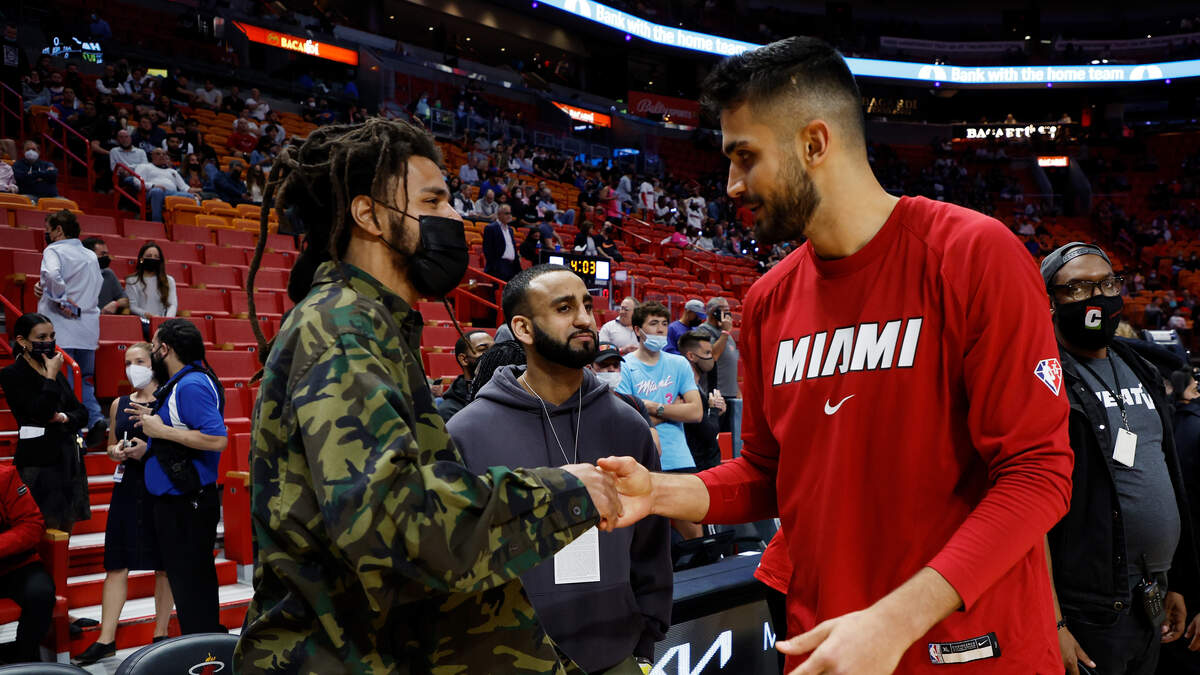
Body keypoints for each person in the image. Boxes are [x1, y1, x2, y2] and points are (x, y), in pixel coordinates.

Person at [599, 37, 1075, 674]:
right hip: (825, 646)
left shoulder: (973, 255)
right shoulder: (769, 299)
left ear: (814, 143)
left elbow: (1037, 474)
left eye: (745, 157)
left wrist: (893, 620)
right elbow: (769, 474)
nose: (732, 184)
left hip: (967, 647)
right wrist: (660, 492)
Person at [234, 119, 625, 673]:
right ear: (368, 215)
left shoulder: (372, 323)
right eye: (434, 200)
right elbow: (396, 524)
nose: (454, 217)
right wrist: (568, 491)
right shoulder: (344, 326)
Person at [447, 265, 671, 675]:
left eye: (587, 305)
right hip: (507, 660)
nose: (585, 318)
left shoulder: (627, 423)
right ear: (524, 328)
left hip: (615, 654)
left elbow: (652, 545)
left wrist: (646, 640)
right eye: (564, 308)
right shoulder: (465, 432)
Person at [1041, 243, 1199, 675]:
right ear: (1049, 299)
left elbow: (1169, 477)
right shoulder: (1043, 377)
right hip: (1089, 604)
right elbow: (1032, 514)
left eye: (1108, 283)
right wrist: (1052, 620)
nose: (1099, 297)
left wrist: (1179, 581)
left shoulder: (1142, 368)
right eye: (1078, 287)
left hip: (1153, 591)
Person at [123, 320, 226, 635]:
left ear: (164, 349)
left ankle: (205, 655)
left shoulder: (191, 384)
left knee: (192, 588)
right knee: (192, 585)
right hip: (178, 500)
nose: (151, 353)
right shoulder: (183, 382)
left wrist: (161, 429)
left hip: (187, 502)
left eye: (152, 347)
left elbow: (217, 438)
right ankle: (206, 649)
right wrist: (151, 439)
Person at [75, 343, 174, 665]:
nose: (133, 367)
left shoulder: (169, 399)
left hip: (160, 486)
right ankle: (106, 639)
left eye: (140, 361)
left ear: (153, 363)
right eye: (128, 362)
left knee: (164, 564)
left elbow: (180, 444)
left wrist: (150, 451)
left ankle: (161, 635)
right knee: (116, 563)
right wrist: (116, 452)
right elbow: (109, 446)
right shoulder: (119, 403)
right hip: (128, 485)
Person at [0, 313, 91, 533]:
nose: (49, 342)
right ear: (22, 341)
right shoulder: (12, 374)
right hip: (38, 462)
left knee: (66, 527)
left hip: (69, 457)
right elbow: (40, 412)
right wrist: (50, 377)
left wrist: (63, 417)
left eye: (52, 336)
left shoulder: (54, 369)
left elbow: (82, 412)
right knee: (44, 527)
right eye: (41, 337)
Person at [39, 210, 106, 443]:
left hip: (61, 327)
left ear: (59, 230)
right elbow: (96, 287)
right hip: (88, 329)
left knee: (64, 383)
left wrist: (60, 300)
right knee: (85, 379)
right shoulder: (90, 256)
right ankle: (96, 418)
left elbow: (51, 274)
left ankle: (76, 435)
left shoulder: (54, 250)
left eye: (49, 230)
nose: (46, 235)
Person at [617, 301, 702, 473]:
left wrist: (651, 407)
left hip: (680, 458)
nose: (661, 329)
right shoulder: (624, 366)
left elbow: (696, 413)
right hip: (643, 460)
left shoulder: (679, 363)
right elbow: (628, 423)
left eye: (664, 324)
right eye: (653, 323)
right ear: (637, 330)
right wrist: (676, 412)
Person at [0, 461, 56, 664]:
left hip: (16, 565)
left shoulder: (5, 476)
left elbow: (32, 525)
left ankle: (24, 659)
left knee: (41, 594)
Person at [694, 297, 741, 454]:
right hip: (714, 395)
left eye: (728, 308)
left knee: (730, 440)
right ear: (712, 311)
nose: (727, 312)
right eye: (722, 308)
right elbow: (711, 356)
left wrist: (737, 390)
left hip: (730, 394)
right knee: (715, 439)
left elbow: (730, 364)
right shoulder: (704, 331)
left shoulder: (725, 333)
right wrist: (726, 332)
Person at [679, 331, 724, 470]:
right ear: (691, 356)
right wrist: (714, 409)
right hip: (699, 465)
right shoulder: (685, 392)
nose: (711, 358)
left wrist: (716, 411)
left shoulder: (698, 387)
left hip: (708, 462)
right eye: (707, 353)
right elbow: (709, 432)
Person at [437, 329, 494, 422]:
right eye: (483, 349)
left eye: (494, 348)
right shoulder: (449, 411)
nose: (494, 354)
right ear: (464, 359)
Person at [134, 148, 200, 222]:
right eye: (158, 154)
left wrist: (192, 193)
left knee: (193, 198)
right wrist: (153, 185)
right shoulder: (144, 166)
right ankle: (157, 223)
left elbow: (184, 187)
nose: (162, 156)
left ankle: (193, 224)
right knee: (157, 191)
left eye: (164, 154)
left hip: (172, 193)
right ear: (152, 156)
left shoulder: (172, 171)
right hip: (151, 192)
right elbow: (137, 182)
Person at [125, 242, 178, 318]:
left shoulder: (169, 280)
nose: (153, 259)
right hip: (142, 322)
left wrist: (166, 320)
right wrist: (147, 315)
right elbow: (133, 306)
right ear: (141, 259)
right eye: (149, 256)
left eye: (156, 257)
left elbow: (172, 305)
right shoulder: (132, 280)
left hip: (163, 323)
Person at [81, 237, 129, 315]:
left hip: (105, 320)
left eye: (107, 254)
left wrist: (116, 304)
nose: (106, 257)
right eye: (103, 254)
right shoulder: (76, 275)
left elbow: (125, 300)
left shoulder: (109, 274)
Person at [482, 203, 521, 281]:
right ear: (499, 214)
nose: (509, 216)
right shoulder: (491, 228)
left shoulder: (510, 230)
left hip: (511, 267)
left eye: (510, 213)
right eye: (507, 213)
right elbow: (487, 249)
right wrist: (495, 266)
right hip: (499, 267)